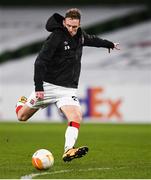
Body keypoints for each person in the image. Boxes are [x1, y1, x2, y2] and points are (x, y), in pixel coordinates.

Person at [15, 8, 120, 162]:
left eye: (75, 27)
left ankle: (68, 150)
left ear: (79, 25)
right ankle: (21, 102)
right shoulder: (56, 37)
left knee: (76, 115)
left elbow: (92, 39)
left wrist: (109, 44)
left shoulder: (80, 36)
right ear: (64, 22)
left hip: (67, 90)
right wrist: (38, 87)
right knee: (22, 116)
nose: (71, 30)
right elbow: (40, 62)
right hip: (48, 86)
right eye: (69, 26)